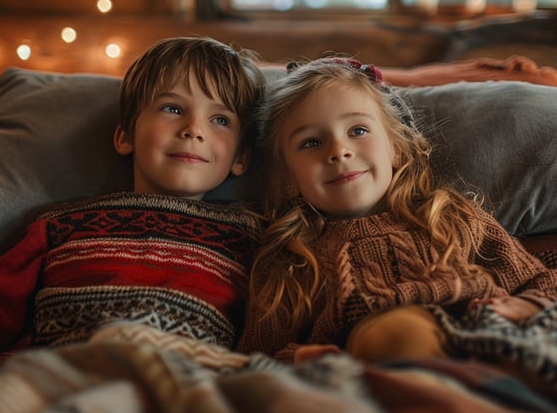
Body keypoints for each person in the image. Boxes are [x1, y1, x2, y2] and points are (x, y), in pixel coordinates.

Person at [0, 36, 265, 371]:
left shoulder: (248, 237)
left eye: (220, 120)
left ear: (241, 157)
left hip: (182, 389)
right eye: (172, 108)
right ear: (125, 136)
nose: (193, 129)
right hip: (62, 378)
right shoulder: (60, 225)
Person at [237, 56, 557, 365]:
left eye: (358, 131)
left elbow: (541, 281)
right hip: (380, 365)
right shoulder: (290, 258)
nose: (339, 151)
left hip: (495, 338)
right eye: (310, 142)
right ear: (288, 180)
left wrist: (522, 307)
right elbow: (257, 357)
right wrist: (302, 358)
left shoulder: (450, 215)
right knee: (394, 334)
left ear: (397, 148)